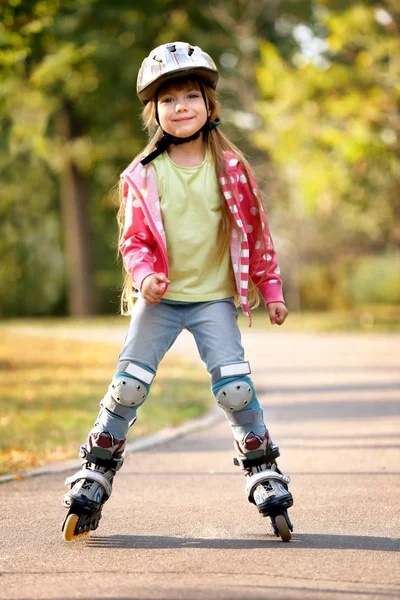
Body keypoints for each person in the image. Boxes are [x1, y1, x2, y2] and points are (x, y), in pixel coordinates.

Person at [62, 41, 294, 542]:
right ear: (154, 112)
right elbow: (134, 240)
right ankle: (96, 469)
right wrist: (145, 275)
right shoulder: (143, 174)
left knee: (235, 387)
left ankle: (263, 468)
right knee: (129, 385)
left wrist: (269, 289)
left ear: (210, 105)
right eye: (169, 100)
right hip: (159, 300)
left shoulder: (232, 169)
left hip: (212, 298)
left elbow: (257, 234)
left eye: (191, 95)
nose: (181, 107)